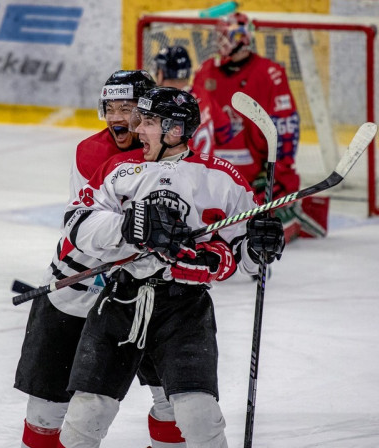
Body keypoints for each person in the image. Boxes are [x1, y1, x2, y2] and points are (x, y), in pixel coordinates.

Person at [56, 86, 286, 448]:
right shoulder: (118, 170)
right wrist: (129, 226)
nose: (137, 129)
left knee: (198, 415)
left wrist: (260, 247)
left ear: (175, 130)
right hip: (121, 300)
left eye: (146, 121)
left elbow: (243, 252)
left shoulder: (221, 178)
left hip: (184, 309)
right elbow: (76, 222)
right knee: (85, 416)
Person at [14, 71, 188, 448]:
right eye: (111, 108)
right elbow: (89, 228)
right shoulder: (92, 153)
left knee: (176, 399)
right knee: (46, 408)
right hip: (78, 286)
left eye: (127, 109)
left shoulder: (174, 156)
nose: (116, 118)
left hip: (145, 296)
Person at [192, 12, 329, 240]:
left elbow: (285, 127)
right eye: (219, 37)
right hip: (213, 173)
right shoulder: (206, 70)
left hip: (255, 175)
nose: (219, 43)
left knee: (262, 234)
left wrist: (275, 173)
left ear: (242, 39)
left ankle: (294, 214)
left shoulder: (270, 73)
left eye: (225, 37)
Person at [152, 45, 233, 156]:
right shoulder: (203, 94)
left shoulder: (162, 106)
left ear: (160, 74)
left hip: (184, 171)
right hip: (209, 169)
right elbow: (225, 132)